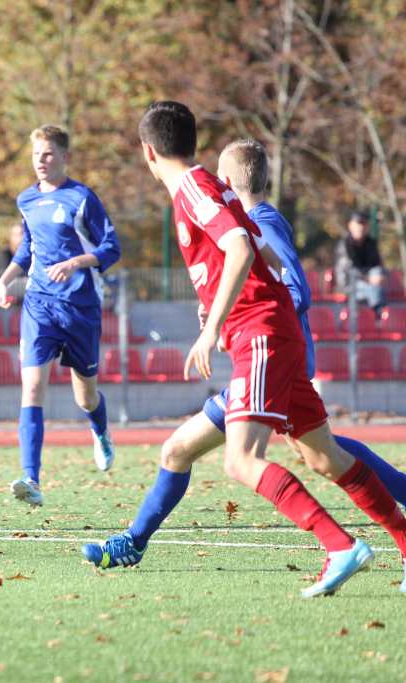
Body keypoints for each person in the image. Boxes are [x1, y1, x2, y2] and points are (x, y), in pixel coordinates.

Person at [99, 102, 406, 598]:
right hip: (268, 328)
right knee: (324, 456)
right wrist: (230, 299)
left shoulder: (193, 190)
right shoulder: (211, 186)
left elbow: (242, 248)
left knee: (240, 460)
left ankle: (339, 545)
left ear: (147, 152)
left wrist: (216, 323)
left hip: (258, 333)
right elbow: (257, 249)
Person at [0, 125, 121, 506]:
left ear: (64, 156)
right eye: (36, 155)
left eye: (48, 154)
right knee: (32, 388)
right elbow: (27, 249)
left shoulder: (82, 198)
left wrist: (76, 263)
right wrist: (6, 278)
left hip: (80, 307)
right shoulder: (26, 201)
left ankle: (100, 430)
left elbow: (112, 248)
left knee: (86, 396)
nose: (41, 161)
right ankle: (30, 479)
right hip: (39, 305)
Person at [335, 211, 385, 312]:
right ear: (350, 225)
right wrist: (369, 279)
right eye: (358, 223)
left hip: (368, 284)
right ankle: (379, 315)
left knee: (378, 275)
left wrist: (378, 277)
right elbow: (349, 271)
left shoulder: (371, 243)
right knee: (374, 289)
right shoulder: (344, 244)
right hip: (349, 284)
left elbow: (377, 265)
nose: (361, 227)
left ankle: (379, 317)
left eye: (364, 223)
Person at [0, 223, 28, 301]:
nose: (20, 238)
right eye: (16, 235)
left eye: (22, 234)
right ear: (11, 237)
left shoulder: (32, 253)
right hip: (12, 289)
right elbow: (5, 275)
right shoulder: (6, 253)